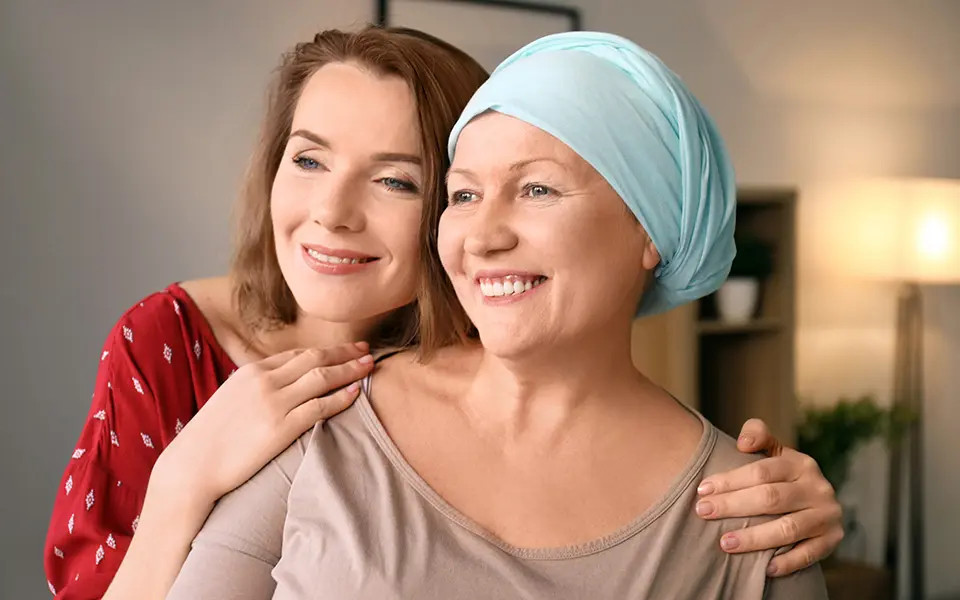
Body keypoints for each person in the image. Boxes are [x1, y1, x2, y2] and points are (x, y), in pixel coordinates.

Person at [43, 26, 839, 600]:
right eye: (309, 159)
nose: (332, 213)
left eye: (396, 180)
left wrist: (801, 502)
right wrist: (185, 477)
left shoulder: (497, 329)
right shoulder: (172, 344)